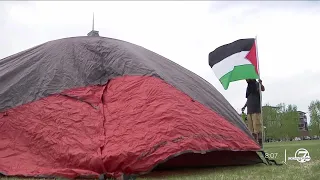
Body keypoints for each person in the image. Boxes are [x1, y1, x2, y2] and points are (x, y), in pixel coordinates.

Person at [241, 79, 265, 147]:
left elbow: (262, 89)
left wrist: (261, 83)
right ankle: (254, 143)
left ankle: (260, 143)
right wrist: (244, 106)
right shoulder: (249, 87)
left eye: (247, 78)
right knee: (251, 129)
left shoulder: (256, 84)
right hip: (249, 110)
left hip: (256, 109)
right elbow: (248, 98)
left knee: (257, 127)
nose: (246, 80)